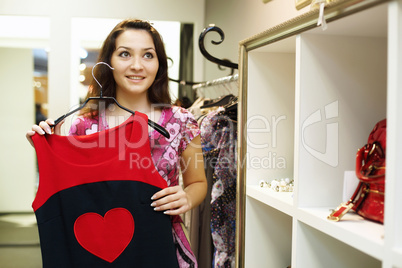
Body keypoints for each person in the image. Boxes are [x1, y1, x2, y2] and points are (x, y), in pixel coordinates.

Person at [26, 19, 207, 267]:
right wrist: (50, 147)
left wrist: (186, 197)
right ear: (109, 62)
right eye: (125, 54)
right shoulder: (84, 125)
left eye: (148, 55)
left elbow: (198, 182)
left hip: (162, 247)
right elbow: (76, 195)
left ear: (159, 64)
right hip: (99, 251)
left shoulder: (182, 121)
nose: (136, 65)